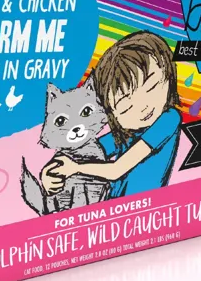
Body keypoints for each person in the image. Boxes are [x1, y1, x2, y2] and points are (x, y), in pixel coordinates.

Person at [42, 31, 181, 198]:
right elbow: (87, 150)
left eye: (152, 87)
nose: (144, 107)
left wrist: (74, 168)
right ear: (111, 113)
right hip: (112, 203)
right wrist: (51, 171)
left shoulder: (169, 119)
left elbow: (117, 170)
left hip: (144, 205)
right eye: (126, 108)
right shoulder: (125, 132)